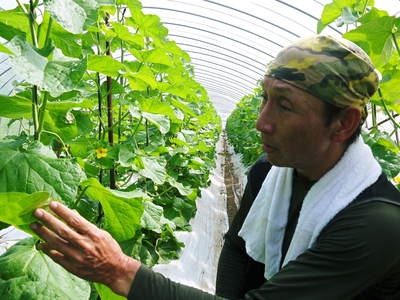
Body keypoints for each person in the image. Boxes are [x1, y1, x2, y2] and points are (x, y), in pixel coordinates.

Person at [30, 35, 400, 300]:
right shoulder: (270, 173)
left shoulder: (378, 223)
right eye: (264, 99)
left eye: (284, 106)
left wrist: (118, 270)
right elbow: (238, 248)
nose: (262, 122)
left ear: (344, 124)